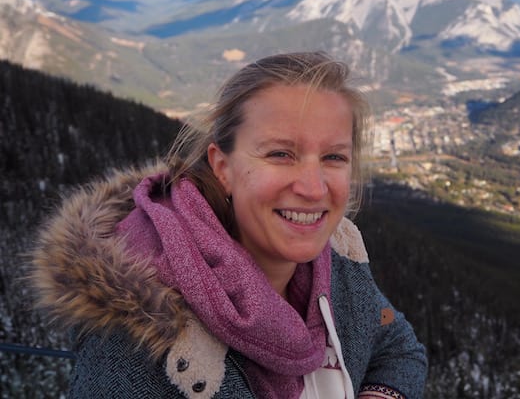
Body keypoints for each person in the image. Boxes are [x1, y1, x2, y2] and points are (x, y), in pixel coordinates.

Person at [30, 51, 427, 398]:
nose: (313, 187)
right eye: (280, 153)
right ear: (223, 167)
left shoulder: (337, 259)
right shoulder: (139, 349)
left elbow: (395, 345)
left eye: (334, 157)